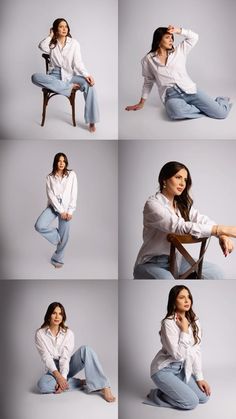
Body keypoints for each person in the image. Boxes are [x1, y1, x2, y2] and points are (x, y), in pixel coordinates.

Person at [134, 161, 236, 279]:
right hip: (151, 263)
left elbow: (202, 220)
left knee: (216, 274)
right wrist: (221, 229)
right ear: (164, 180)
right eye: (178, 177)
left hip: (177, 261)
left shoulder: (182, 205)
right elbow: (179, 227)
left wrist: (222, 235)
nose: (182, 183)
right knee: (167, 280)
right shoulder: (152, 204)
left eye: (185, 180)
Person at [125, 25, 232, 120]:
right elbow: (148, 82)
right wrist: (141, 103)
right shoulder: (148, 59)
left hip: (190, 90)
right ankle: (204, 109)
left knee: (221, 114)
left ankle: (220, 100)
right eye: (167, 37)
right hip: (171, 96)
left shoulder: (179, 50)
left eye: (172, 38)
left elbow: (194, 37)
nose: (171, 40)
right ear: (158, 40)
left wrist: (178, 30)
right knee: (176, 113)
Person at [35, 302, 116, 402]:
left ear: (63, 317)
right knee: (42, 385)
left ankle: (104, 386)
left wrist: (63, 378)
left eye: (60, 314)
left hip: (67, 365)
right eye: (54, 313)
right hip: (52, 370)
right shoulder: (40, 334)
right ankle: (82, 383)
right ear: (48, 315)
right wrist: (58, 377)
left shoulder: (68, 334)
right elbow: (46, 357)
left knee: (86, 350)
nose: (57, 317)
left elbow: (65, 358)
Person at [145, 285, 210, 410]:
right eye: (182, 297)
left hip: (180, 369)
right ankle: (157, 394)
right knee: (191, 403)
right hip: (163, 370)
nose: (187, 301)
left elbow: (196, 351)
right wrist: (184, 330)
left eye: (188, 297)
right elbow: (178, 355)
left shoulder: (195, 321)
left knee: (204, 397)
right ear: (174, 301)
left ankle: (172, 390)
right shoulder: (168, 323)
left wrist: (200, 378)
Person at [31, 18, 99, 132]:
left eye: (66, 26)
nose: (64, 29)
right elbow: (41, 46)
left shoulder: (74, 43)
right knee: (35, 77)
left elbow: (78, 63)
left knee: (89, 85)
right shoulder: (51, 44)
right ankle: (69, 87)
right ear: (56, 29)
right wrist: (50, 35)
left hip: (70, 76)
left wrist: (86, 75)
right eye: (61, 26)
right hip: (54, 76)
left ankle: (92, 120)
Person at [35, 152, 77, 269]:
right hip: (54, 206)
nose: (61, 163)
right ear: (55, 162)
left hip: (67, 208)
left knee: (65, 236)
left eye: (63, 161)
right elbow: (51, 195)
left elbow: (74, 193)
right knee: (39, 225)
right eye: (59, 161)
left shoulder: (71, 174)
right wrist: (60, 211)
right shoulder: (49, 177)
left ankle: (57, 259)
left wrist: (70, 211)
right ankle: (57, 238)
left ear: (66, 162)